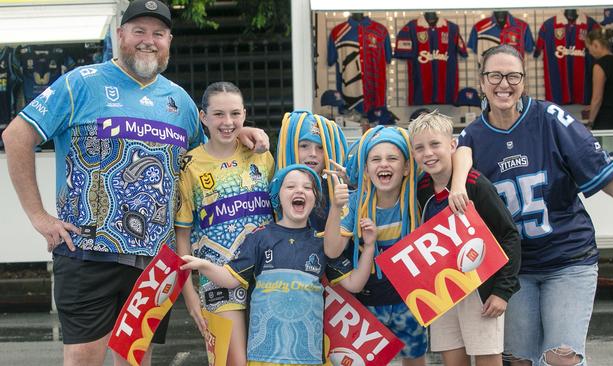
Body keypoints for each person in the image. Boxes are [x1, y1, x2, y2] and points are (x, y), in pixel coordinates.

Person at [1, 1, 268, 365]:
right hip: (87, 253)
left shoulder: (181, 103)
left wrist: (239, 132)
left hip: (153, 263)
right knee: (83, 358)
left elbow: (203, 159)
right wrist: (38, 216)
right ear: (120, 35)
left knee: (133, 360)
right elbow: (17, 135)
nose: (148, 41)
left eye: (158, 33)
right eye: (139, 31)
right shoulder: (82, 83)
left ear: (169, 40)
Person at [448, 44, 613, 366]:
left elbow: (602, 169)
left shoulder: (550, 119)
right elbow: (457, 158)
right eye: (496, 75)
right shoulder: (472, 136)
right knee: (519, 360)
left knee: (561, 357)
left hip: (567, 257)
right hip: (516, 267)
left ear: (524, 80)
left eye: (513, 76)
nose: (504, 84)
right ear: (482, 82)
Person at [181, 164, 376, 365]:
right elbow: (230, 279)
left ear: (315, 199)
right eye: (290, 186)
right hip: (263, 357)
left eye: (307, 188)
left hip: (308, 357)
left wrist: (369, 247)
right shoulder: (259, 237)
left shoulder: (322, 244)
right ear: (278, 196)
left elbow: (354, 284)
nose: (299, 190)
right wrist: (202, 265)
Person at [409, 111, 521, 366]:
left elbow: (509, 235)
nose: (428, 153)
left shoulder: (474, 185)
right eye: (420, 148)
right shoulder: (420, 189)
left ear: (452, 145)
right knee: (452, 360)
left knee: (487, 359)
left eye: (435, 144)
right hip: (442, 290)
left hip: (480, 289)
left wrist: (503, 291)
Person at [175, 81, 274, 366]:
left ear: (244, 114)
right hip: (216, 278)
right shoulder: (189, 165)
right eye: (218, 114)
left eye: (234, 114)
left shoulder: (260, 154)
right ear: (203, 117)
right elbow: (182, 237)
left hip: (265, 275)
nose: (228, 122)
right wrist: (190, 295)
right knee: (234, 363)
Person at [325, 126, 427, 366]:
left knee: (415, 359)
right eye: (375, 159)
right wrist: (335, 208)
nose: (384, 164)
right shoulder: (354, 201)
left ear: (406, 168)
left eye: (392, 158)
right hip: (367, 305)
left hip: (409, 303)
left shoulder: (418, 196)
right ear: (366, 168)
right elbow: (332, 250)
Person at [275, 110, 349, 235]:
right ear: (290, 147)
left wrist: (354, 183)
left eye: (320, 147)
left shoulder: (337, 189)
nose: (313, 154)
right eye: (304, 146)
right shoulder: (275, 187)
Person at [586, 28, 613, 130]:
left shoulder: (599, 66)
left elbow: (597, 98)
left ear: (595, 44)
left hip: (606, 121)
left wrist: (590, 123)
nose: (590, 52)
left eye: (589, 48)